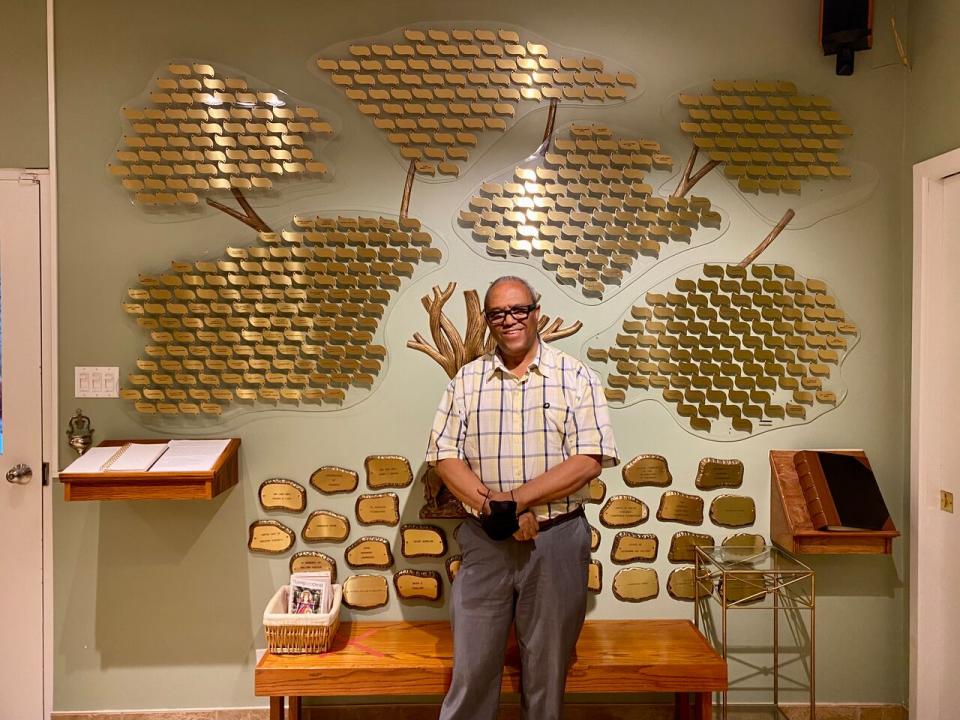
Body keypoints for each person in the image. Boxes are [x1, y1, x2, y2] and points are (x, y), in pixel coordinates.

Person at [425, 276, 619, 720]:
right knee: (472, 669)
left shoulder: (576, 378)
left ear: (535, 311)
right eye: (498, 313)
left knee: (548, 671)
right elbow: (444, 456)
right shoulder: (466, 382)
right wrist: (499, 510)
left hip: (557, 542)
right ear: (489, 320)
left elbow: (590, 459)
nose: (509, 320)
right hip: (484, 541)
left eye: (518, 310)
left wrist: (514, 500)